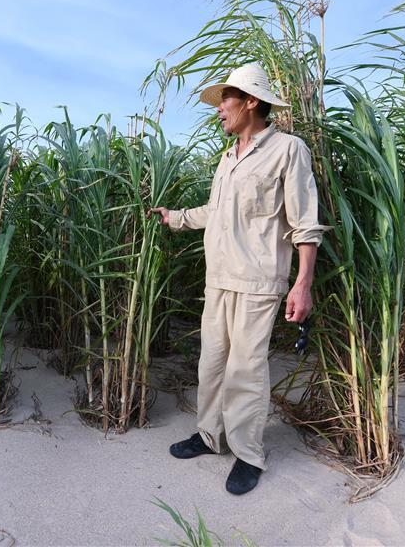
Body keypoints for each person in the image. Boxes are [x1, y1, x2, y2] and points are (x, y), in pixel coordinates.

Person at [150, 62, 326, 495]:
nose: (218, 110)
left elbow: (305, 222)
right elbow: (216, 212)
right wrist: (175, 218)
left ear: (251, 102)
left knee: (246, 371)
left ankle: (248, 454)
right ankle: (211, 436)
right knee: (210, 365)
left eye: (224, 100)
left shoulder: (288, 149)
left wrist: (302, 284)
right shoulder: (227, 158)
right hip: (219, 280)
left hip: (260, 282)